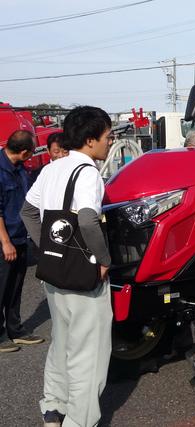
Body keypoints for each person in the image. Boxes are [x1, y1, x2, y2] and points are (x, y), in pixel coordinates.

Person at [21, 106, 113, 427]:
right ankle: (79, 421)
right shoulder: (88, 174)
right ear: (90, 140)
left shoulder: (51, 169)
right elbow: (88, 219)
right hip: (83, 275)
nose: (109, 141)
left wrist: (47, 247)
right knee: (89, 353)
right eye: (106, 136)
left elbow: (28, 211)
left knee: (61, 342)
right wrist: (104, 259)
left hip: (54, 273)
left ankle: (53, 408)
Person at [0, 130, 44, 353]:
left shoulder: (20, 169)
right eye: (32, 151)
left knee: (16, 287)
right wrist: (5, 242)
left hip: (20, 236)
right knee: (2, 287)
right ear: (25, 152)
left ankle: (16, 330)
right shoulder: (1, 171)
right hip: (4, 240)